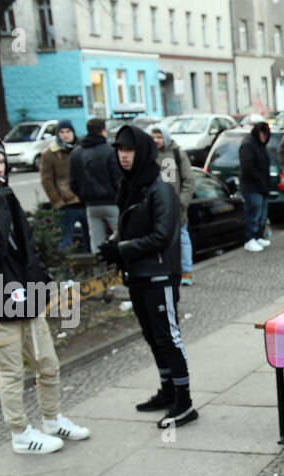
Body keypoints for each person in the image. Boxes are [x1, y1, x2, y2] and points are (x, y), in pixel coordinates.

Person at [0, 136, 90, 454]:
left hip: (27, 291)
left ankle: (52, 419)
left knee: (48, 362)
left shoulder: (5, 196)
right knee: (11, 371)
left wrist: (39, 277)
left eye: (1, 162)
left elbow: (26, 242)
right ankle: (20, 433)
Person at [98, 125, 197, 429]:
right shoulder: (129, 185)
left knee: (168, 337)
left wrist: (122, 248)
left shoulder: (160, 187)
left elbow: (162, 235)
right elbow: (129, 227)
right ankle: (167, 391)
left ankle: (184, 401)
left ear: (141, 152)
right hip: (138, 274)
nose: (123, 155)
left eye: (128, 150)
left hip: (159, 274)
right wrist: (113, 242)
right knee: (153, 337)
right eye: (119, 150)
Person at [149, 124, 196, 285]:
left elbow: (189, 180)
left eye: (159, 137)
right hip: (157, 207)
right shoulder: (149, 155)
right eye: (153, 137)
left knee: (182, 238)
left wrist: (182, 201)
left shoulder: (177, 153)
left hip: (176, 206)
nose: (156, 140)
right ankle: (163, 271)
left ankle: (186, 271)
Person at [70, 116, 122, 251]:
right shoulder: (110, 151)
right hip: (112, 202)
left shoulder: (76, 153)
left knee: (96, 243)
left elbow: (73, 182)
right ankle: (124, 269)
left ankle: (100, 270)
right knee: (121, 237)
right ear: (103, 131)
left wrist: (83, 197)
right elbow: (118, 179)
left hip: (91, 204)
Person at [40, 119, 85, 251]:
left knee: (90, 239)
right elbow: (47, 180)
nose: (66, 135)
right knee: (66, 240)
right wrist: (57, 201)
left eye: (68, 131)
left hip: (84, 201)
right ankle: (66, 269)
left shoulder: (81, 149)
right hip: (66, 204)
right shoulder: (49, 154)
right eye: (62, 132)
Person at [239, 121, 272, 252]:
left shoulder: (260, 146)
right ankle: (250, 238)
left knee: (261, 214)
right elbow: (248, 168)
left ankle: (257, 236)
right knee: (253, 212)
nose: (264, 137)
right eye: (262, 134)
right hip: (252, 186)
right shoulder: (248, 145)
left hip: (261, 186)